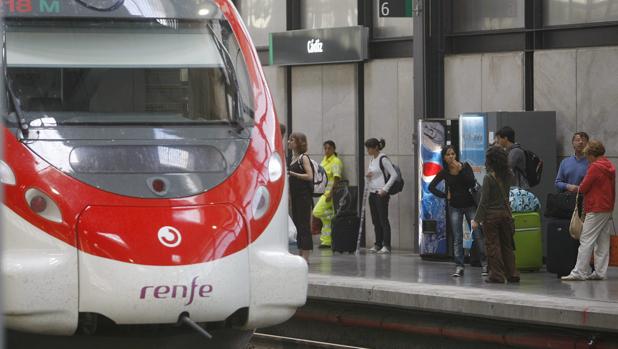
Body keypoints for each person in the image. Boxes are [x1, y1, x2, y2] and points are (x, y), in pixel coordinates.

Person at [429, 145, 487, 277]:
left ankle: (485, 264)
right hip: (454, 206)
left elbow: (471, 183)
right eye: (448, 155)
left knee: (478, 235)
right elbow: (431, 187)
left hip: (470, 205)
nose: (451, 157)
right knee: (457, 237)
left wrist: (460, 170)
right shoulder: (444, 172)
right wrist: (445, 195)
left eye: (453, 154)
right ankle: (459, 266)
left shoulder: (465, 166)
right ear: (444, 157)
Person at [562, 140, 615, 281]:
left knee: (586, 240)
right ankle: (599, 272)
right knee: (603, 241)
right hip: (607, 207)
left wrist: (578, 186)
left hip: (595, 207)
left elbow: (584, 187)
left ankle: (579, 272)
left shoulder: (595, 167)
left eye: (587, 156)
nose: (587, 159)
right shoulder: (609, 165)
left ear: (592, 154)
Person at [471, 146, 520, 283]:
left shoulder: (488, 178)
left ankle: (497, 275)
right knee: (507, 245)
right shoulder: (509, 174)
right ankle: (512, 273)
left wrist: (476, 219)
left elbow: (484, 202)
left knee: (493, 246)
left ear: (490, 160)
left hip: (491, 217)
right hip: (505, 215)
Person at [364, 138, 398, 254]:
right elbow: (372, 175)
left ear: (375, 148)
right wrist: (368, 176)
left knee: (383, 220)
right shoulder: (372, 160)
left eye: (369, 148)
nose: (367, 150)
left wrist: (385, 189)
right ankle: (378, 244)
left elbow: (394, 175)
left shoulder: (383, 159)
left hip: (381, 194)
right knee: (375, 220)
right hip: (372, 193)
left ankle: (387, 245)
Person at [287, 132, 314, 263]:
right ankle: (300, 252)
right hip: (296, 197)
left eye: (292, 140)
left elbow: (310, 176)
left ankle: (306, 256)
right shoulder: (292, 159)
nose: (288, 142)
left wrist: (292, 173)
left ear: (298, 142)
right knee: (298, 225)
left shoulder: (304, 158)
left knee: (304, 225)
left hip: (304, 197)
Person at [312, 140, 344, 249]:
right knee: (325, 220)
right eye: (325, 148)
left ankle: (332, 216)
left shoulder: (335, 161)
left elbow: (336, 178)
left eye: (329, 148)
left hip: (329, 193)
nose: (326, 150)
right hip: (323, 192)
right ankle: (326, 241)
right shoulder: (324, 161)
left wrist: (330, 193)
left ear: (334, 149)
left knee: (317, 212)